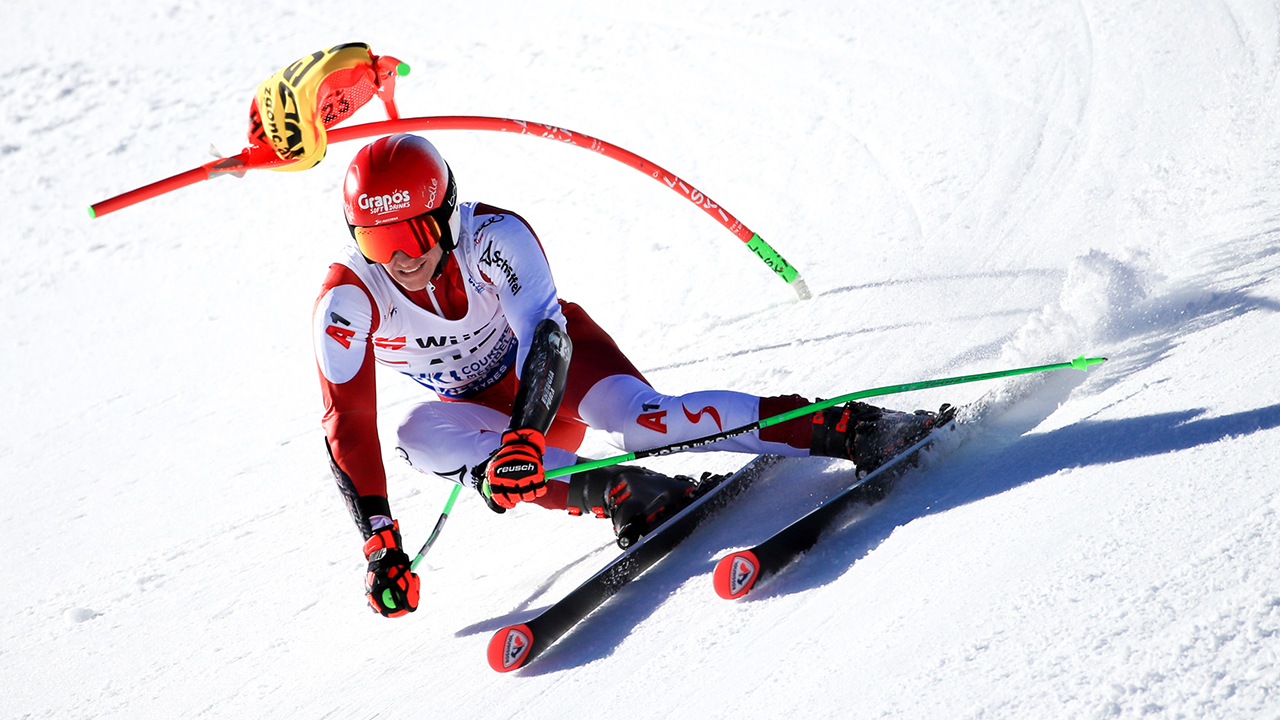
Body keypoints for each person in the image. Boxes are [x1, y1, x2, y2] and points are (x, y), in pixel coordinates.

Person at [313, 134, 944, 618]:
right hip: (491, 418)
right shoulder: (346, 300)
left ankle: (848, 427)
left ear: (448, 213)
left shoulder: (495, 236)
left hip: (554, 374)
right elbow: (347, 421)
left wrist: (528, 435)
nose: (401, 257)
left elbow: (546, 335)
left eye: (416, 230)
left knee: (646, 423)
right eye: (377, 241)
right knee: (416, 432)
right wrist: (381, 545)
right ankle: (627, 494)